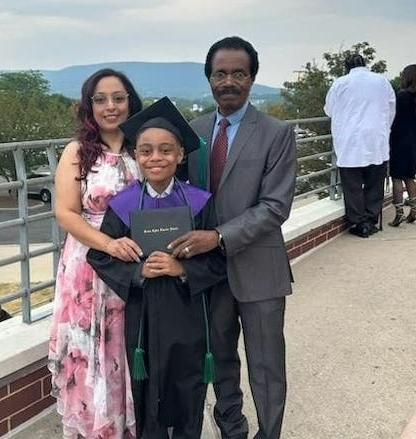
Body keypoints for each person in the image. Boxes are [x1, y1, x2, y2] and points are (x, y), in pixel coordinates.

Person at [169, 36, 297, 439]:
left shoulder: (277, 133)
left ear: (252, 78)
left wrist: (218, 237)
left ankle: (269, 433)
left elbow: (276, 207)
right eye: (220, 73)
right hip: (209, 274)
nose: (229, 81)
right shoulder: (192, 132)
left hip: (259, 268)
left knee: (266, 365)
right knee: (220, 356)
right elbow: (177, 194)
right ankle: (232, 428)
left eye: (238, 73)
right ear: (209, 79)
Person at [87, 97, 227, 439]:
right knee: (147, 392)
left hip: (189, 316)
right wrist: (138, 273)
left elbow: (220, 259)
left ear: (181, 155)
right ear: (137, 156)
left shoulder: (200, 203)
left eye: (166, 150)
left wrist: (182, 270)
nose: (156, 158)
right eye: (147, 151)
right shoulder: (123, 206)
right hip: (143, 317)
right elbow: (100, 256)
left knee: (187, 389)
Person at [47, 68, 144, 439]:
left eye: (118, 98)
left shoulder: (142, 145)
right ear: (89, 106)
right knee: (91, 350)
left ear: (130, 102)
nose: (111, 106)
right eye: (101, 99)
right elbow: (66, 212)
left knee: (123, 349)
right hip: (89, 264)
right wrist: (108, 244)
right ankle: (95, 428)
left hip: (133, 260)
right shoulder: (77, 152)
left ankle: (127, 426)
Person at [324, 53, 396, 238]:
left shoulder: (340, 83)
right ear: (365, 64)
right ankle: (371, 218)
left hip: (350, 140)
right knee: (375, 182)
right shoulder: (381, 81)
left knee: (353, 185)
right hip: (376, 139)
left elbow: (329, 109)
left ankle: (358, 222)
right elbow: (391, 109)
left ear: (347, 66)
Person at [388, 64, 416, 226]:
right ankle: (414, 210)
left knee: (397, 178)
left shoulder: (402, 97)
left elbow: (392, 119)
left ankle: (399, 213)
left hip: (399, 143)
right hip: (415, 144)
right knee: (409, 177)